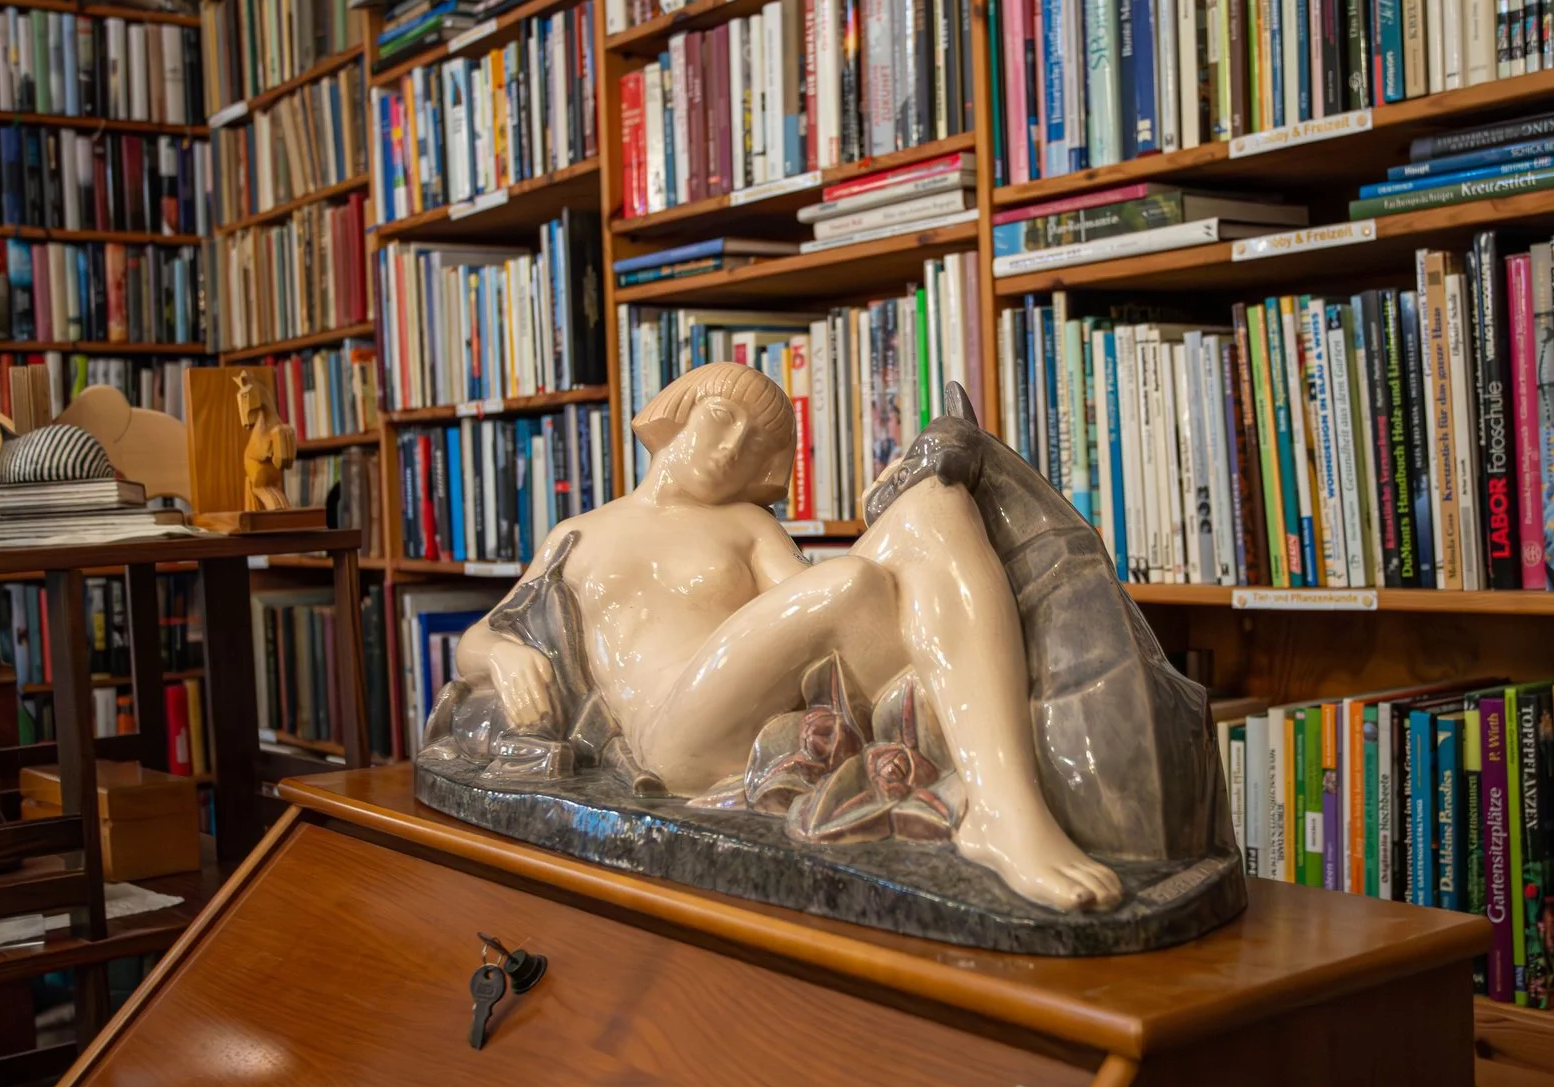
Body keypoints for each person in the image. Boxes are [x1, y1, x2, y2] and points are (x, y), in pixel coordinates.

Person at [453, 362, 1126, 913]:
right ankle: (997, 799)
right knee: (852, 578)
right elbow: (477, 640)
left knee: (934, 504)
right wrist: (505, 655)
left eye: (754, 445)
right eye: (721, 417)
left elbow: (822, 612)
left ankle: (1005, 806)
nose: (730, 448)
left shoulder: (748, 525)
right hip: (672, 740)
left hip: (761, 703)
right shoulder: (579, 535)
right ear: (676, 412)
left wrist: (901, 513)